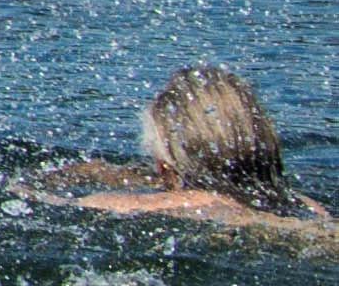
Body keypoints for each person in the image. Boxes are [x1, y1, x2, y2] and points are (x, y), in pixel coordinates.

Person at [29, 66, 334, 239]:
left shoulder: (183, 203)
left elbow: (47, 206)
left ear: (165, 162)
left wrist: (26, 188)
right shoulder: (308, 206)